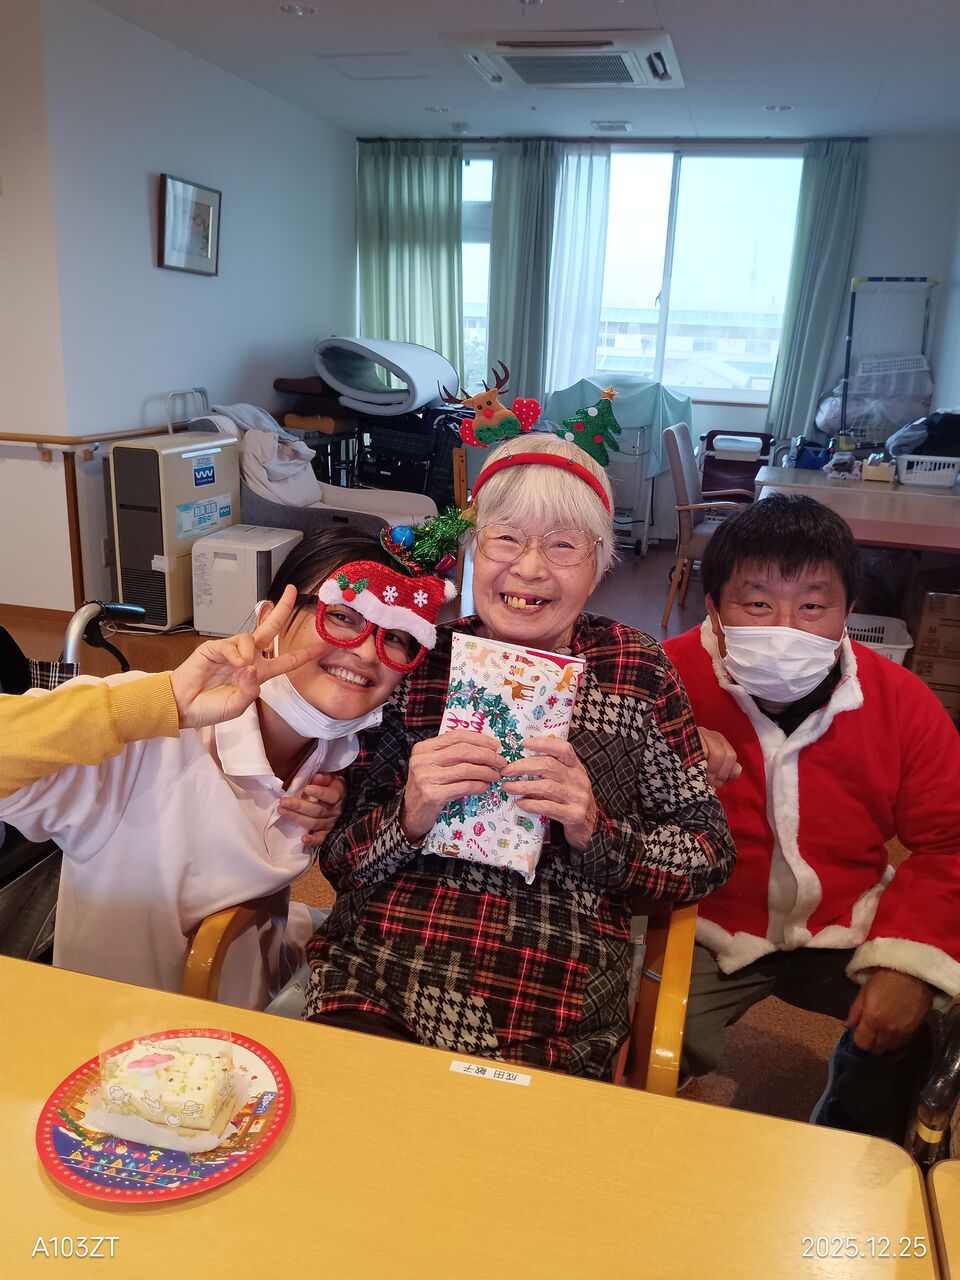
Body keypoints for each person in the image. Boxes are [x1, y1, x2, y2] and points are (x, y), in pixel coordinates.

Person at [303, 434, 735, 1078]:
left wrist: (594, 828)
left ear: (599, 564)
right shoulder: (416, 661)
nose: (530, 569)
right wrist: (408, 814)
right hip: (381, 980)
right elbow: (340, 862)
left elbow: (708, 852)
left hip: (553, 1009)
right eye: (505, 539)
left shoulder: (635, 670)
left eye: (563, 546)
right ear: (473, 551)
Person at [0, 528, 450, 1009]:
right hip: (125, 1035)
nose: (366, 652)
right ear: (270, 619)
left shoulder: (335, 752)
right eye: (342, 616)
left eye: (396, 636)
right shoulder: (145, 740)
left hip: (255, 1016)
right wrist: (163, 702)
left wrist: (337, 798)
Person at [663, 493, 960, 1138]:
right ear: (712, 609)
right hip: (703, 921)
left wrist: (907, 962)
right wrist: (663, 752)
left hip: (844, 918)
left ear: (848, 612)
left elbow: (950, 843)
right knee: (630, 1028)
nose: (786, 628)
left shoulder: (901, 702)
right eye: (757, 604)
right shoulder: (660, 681)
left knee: (924, 1024)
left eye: (813, 606)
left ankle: (855, 1131)